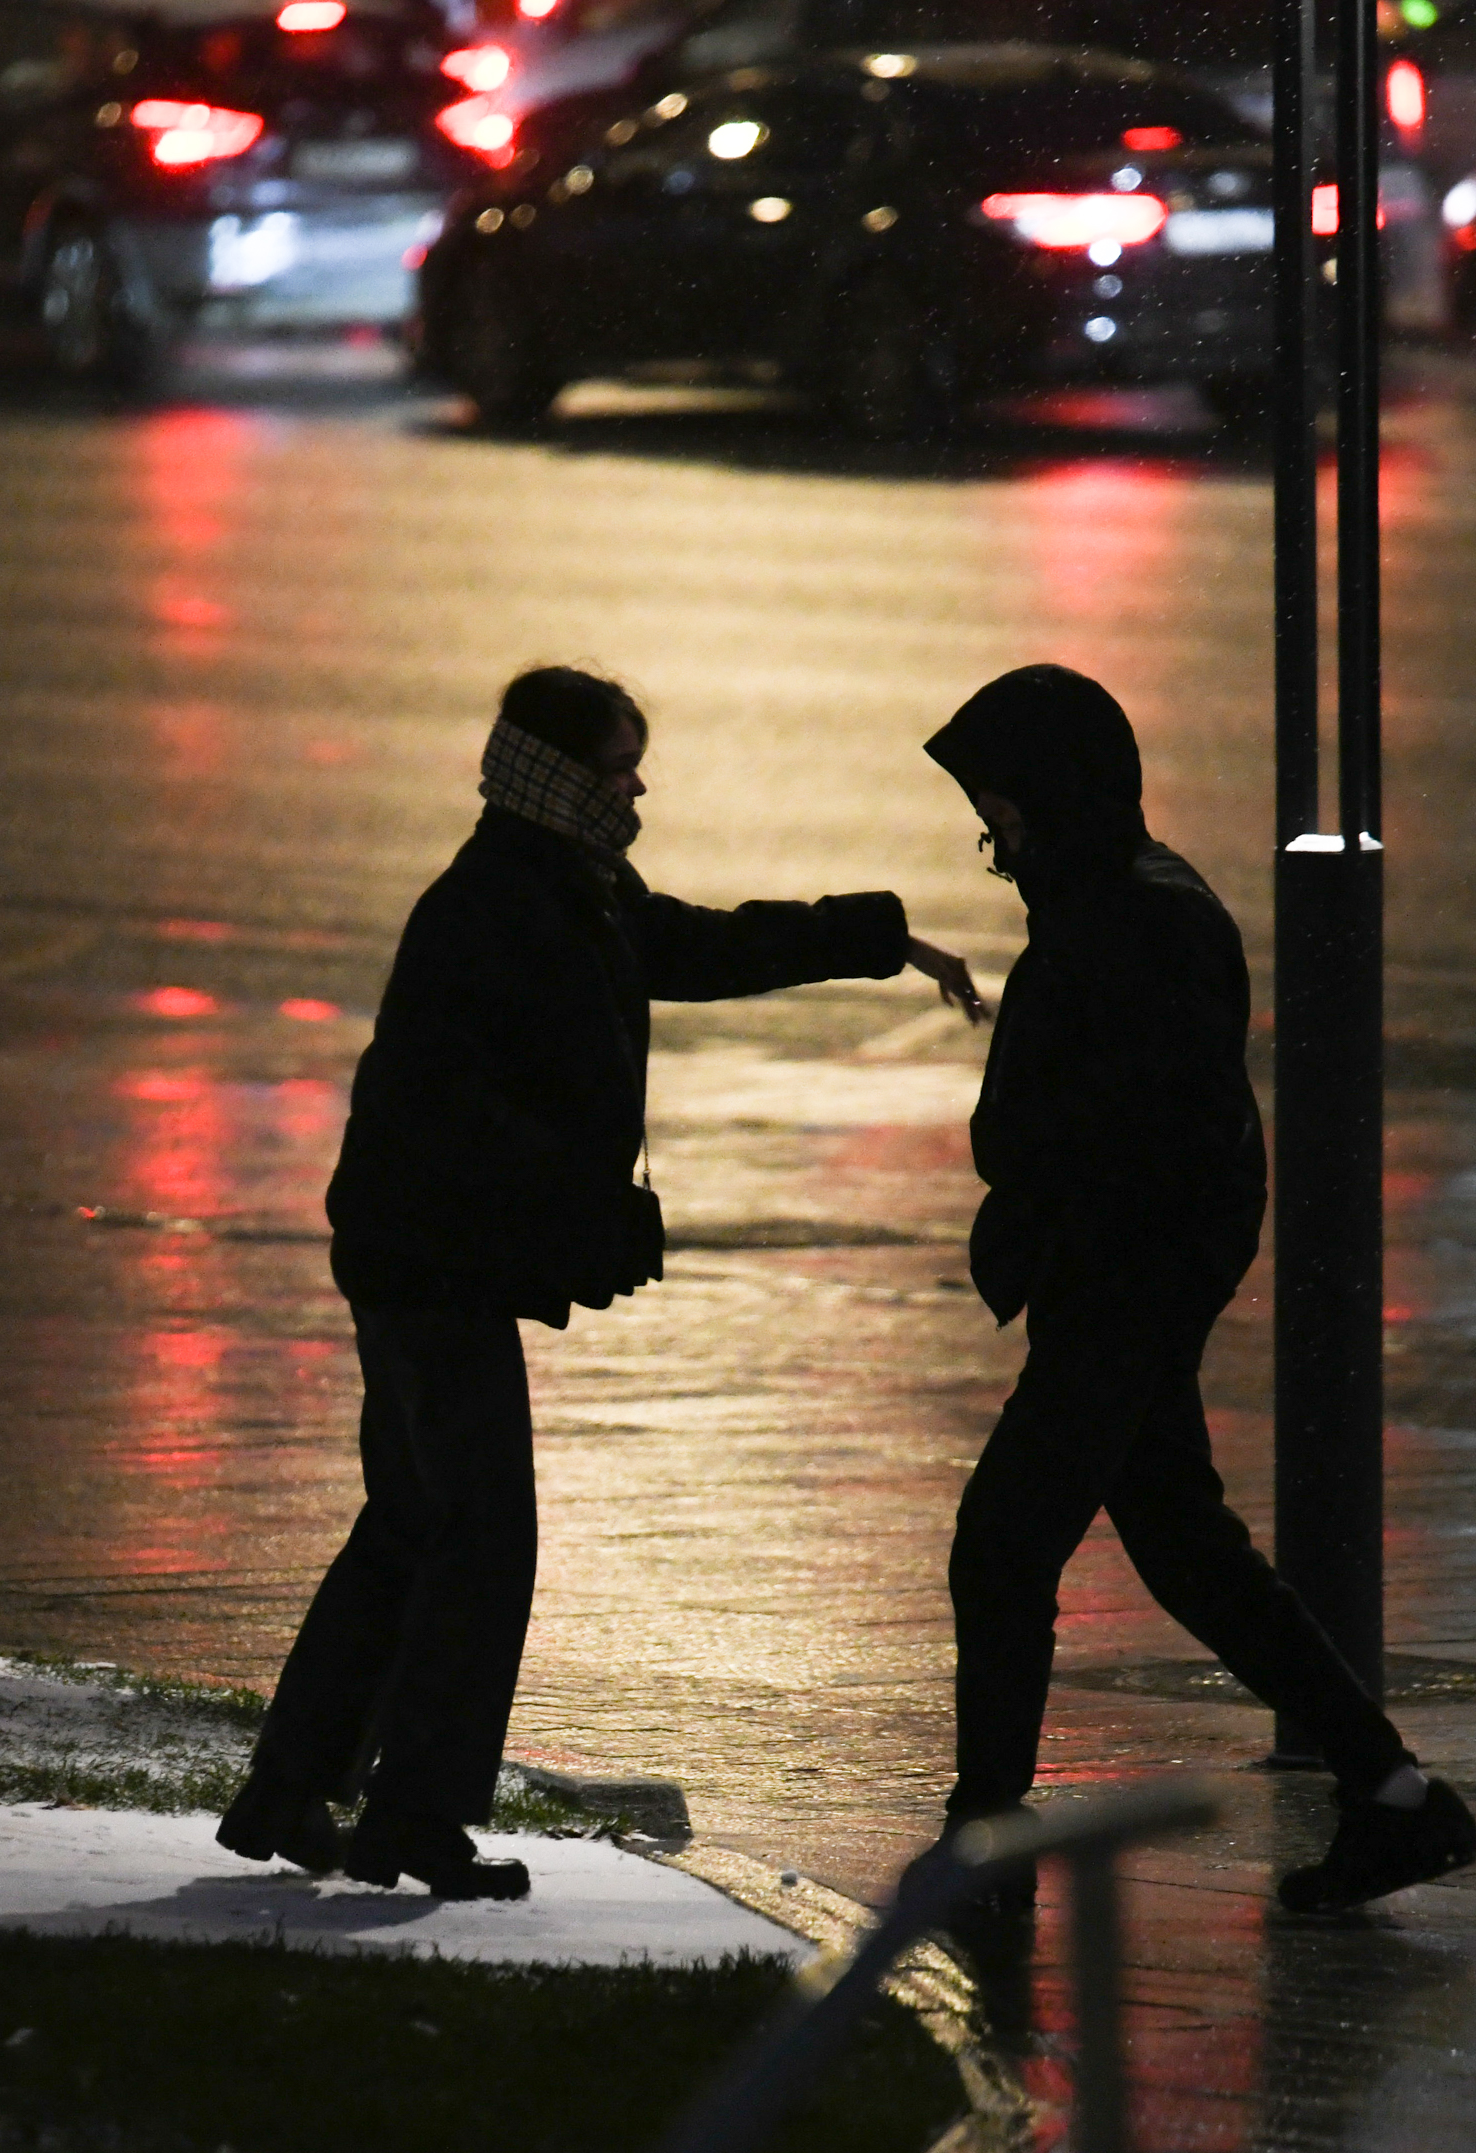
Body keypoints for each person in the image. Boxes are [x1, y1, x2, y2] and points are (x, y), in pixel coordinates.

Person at [218, 666, 987, 1901]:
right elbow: (452, 1117)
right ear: (559, 774)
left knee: (415, 1525)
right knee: (480, 1535)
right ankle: (411, 1819)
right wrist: (577, 1216)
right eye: (620, 765)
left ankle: (291, 1789)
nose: (638, 786)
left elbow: (692, 945)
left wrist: (875, 936)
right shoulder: (493, 904)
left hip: (420, 1261)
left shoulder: (567, 884)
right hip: (427, 1270)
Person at [923, 664, 1476, 1915]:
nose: (990, 836)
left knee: (1003, 1546)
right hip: (1116, 1289)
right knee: (1187, 1551)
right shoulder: (1111, 900)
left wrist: (1057, 1211)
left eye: (1000, 807)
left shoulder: (1135, 920)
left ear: (1053, 799)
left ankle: (984, 1845)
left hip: (1119, 1292)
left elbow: (1134, 1131)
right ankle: (1391, 1795)